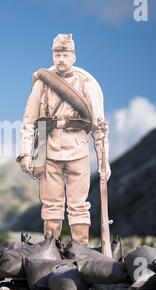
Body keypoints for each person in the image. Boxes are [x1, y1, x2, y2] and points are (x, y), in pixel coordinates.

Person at [16, 33, 111, 246]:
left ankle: (81, 251)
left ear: (73, 56)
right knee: (51, 205)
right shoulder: (43, 82)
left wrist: (104, 159)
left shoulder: (86, 84)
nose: (60, 59)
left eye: (65, 54)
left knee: (78, 205)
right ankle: (51, 250)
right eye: (57, 54)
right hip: (47, 149)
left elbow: (99, 126)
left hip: (77, 149)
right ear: (52, 55)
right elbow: (29, 119)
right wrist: (24, 152)